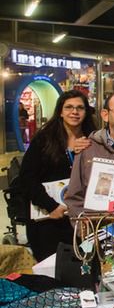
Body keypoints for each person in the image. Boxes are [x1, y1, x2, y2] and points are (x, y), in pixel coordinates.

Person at [20, 90, 96, 261]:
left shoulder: (94, 140)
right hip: (50, 218)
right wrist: (50, 206)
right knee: (52, 270)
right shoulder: (44, 139)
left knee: (83, 267)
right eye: (69, 107)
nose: (74, 112)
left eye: (80, 108)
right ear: (60, 111)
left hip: (82, 219)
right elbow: (27, 177)